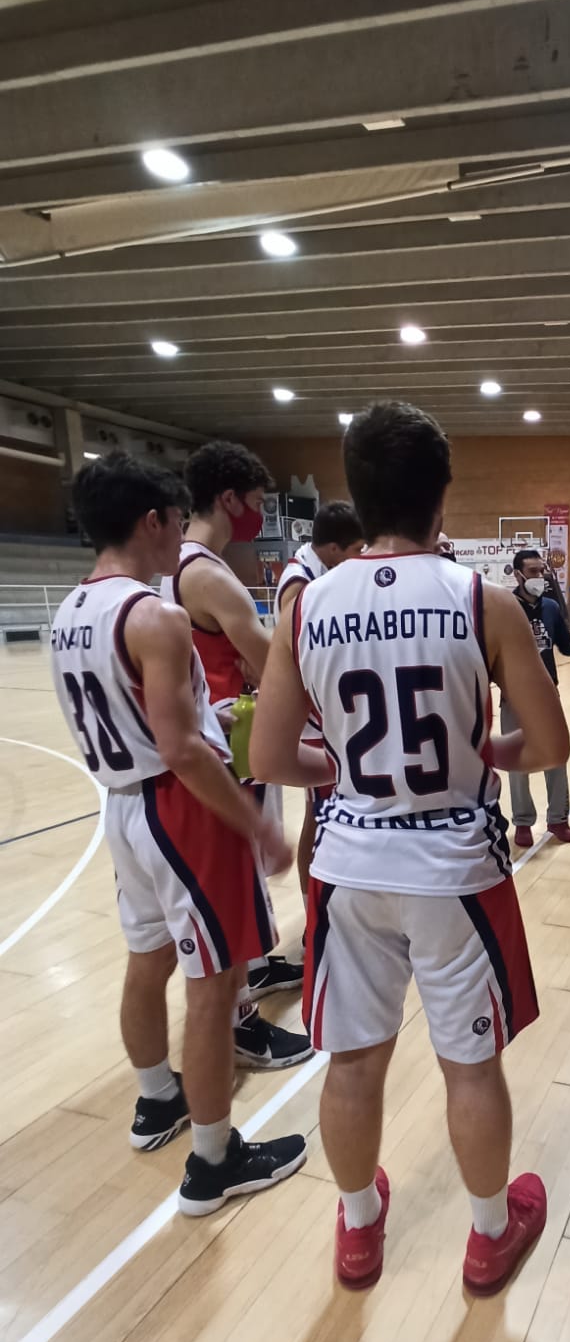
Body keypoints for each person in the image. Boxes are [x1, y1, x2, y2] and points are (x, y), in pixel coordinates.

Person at [251, 400, 570, 1292]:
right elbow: (549, 744)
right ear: (443, 493)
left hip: (348, 865)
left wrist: (342, 768)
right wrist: (490, 754)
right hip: (455, 867)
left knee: (353, 1062)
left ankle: (358, 1228)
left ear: (355, 494)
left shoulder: (306, 605)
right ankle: (489, 1233)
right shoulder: (482, 599)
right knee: (469, 1065)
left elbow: (269, 757)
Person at [49, 453, 307, 1213]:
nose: (178, 539)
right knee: (214, 983)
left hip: (122, 805)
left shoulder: (68, 611)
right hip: (181, 808)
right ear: (152, 521)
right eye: (172, 523)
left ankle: (156, 1097)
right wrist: (255, 823)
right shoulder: (153, 614)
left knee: (149, 956)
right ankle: (214, 1160)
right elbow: (182, 749)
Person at [174, 441, 313, 1061]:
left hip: (211, 730)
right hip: (227, 737)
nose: (261, 514)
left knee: (239, 877)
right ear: (229, 499)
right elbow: (267, 661)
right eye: (257, 502)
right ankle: (238, 1020)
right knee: (236, 879)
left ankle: (251, 971)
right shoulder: (207, 573)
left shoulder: (177, 565)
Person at [274, 502, 366, 900]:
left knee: (328, 811)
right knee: (318, 814)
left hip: (326, 711)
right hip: (311, 717)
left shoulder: (319, 571)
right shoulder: (299, 584)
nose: (360, 556)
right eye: (356, 549)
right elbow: (290, 654)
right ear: (332, 548)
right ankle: (312, 907)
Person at [504, 548, 570, 848]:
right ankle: (522, 821)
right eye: (532, 571)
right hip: (514, 696)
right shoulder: (504, 608)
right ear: (517, 574)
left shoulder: (552, 607)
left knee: (556, 756)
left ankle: (558, 819)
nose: (539, 576)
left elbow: (565, 647)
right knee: (518, 763)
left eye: (541, 571)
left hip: (547, 694)